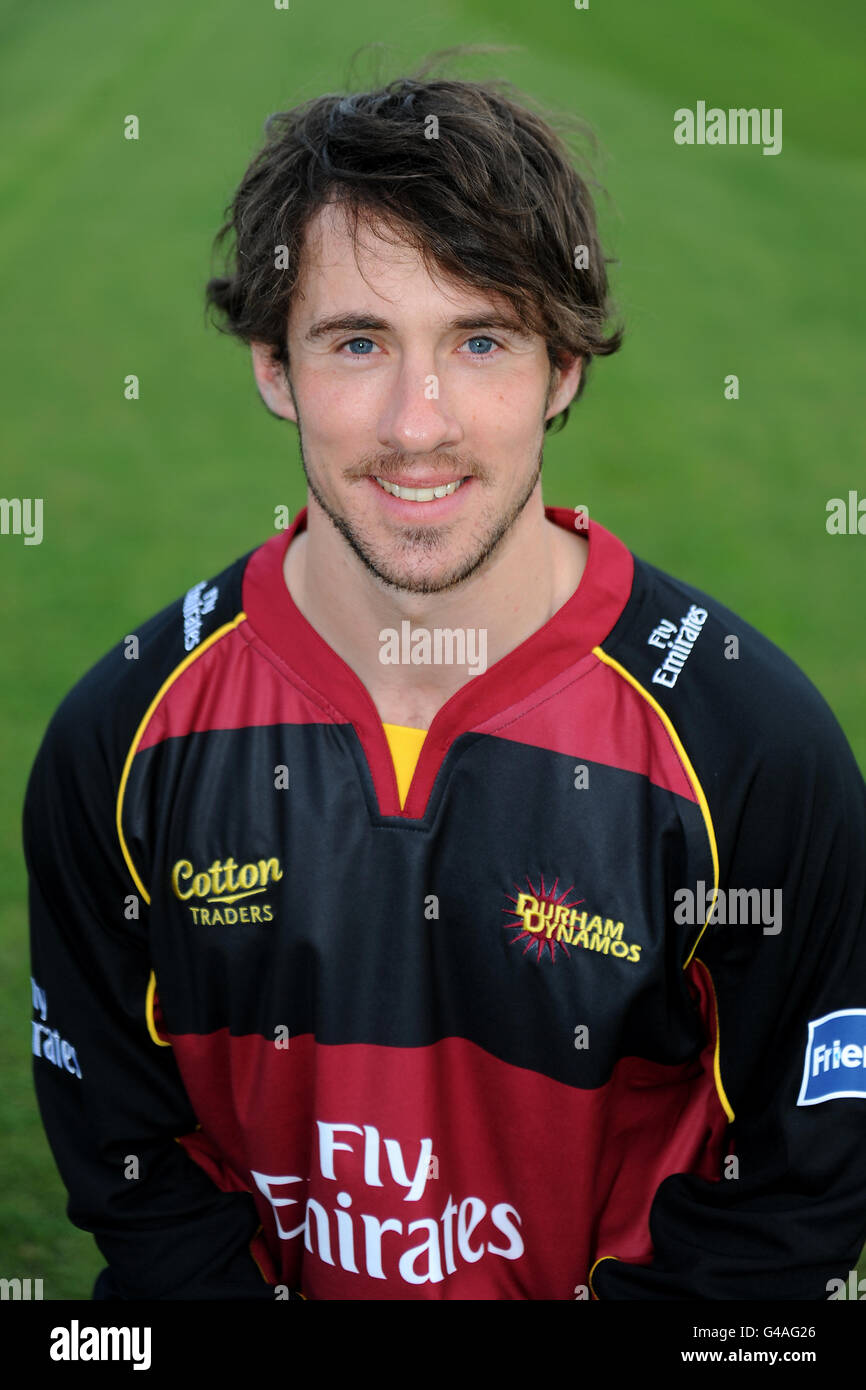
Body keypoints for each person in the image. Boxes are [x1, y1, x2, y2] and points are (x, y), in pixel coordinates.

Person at [24, 60, 866, 1302]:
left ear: (562, 369)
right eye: (357, 341)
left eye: (480, 339)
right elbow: (134, 1167)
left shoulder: (746, 740)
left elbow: (792, 1197)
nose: (418, 423)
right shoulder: (124, 734)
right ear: (273, 366)